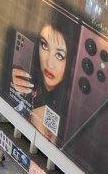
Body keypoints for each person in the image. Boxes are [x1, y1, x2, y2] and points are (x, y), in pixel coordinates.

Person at [8, 8, 75, 141]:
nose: (49, 63)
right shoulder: (26, 76)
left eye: (59, 55)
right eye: (44, 45)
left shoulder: (71, 109)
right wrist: (11, 87)